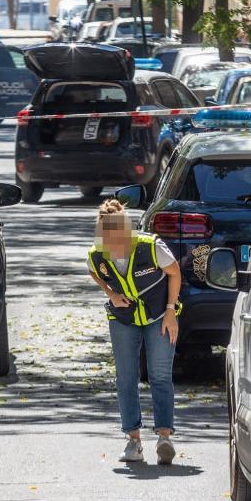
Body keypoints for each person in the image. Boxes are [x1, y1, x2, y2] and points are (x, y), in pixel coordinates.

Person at [88, 199, 182, 465]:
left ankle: (164, 437)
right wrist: (111, 294)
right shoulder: (98, 253)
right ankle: (133, 441)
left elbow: (174, 273)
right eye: (107, 240)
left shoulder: (151, 247)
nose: (114, 246)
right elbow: (94, 271)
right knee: (126, 378)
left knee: (160, 375)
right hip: (123, 319)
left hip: (159, 316)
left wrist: (171, 311)